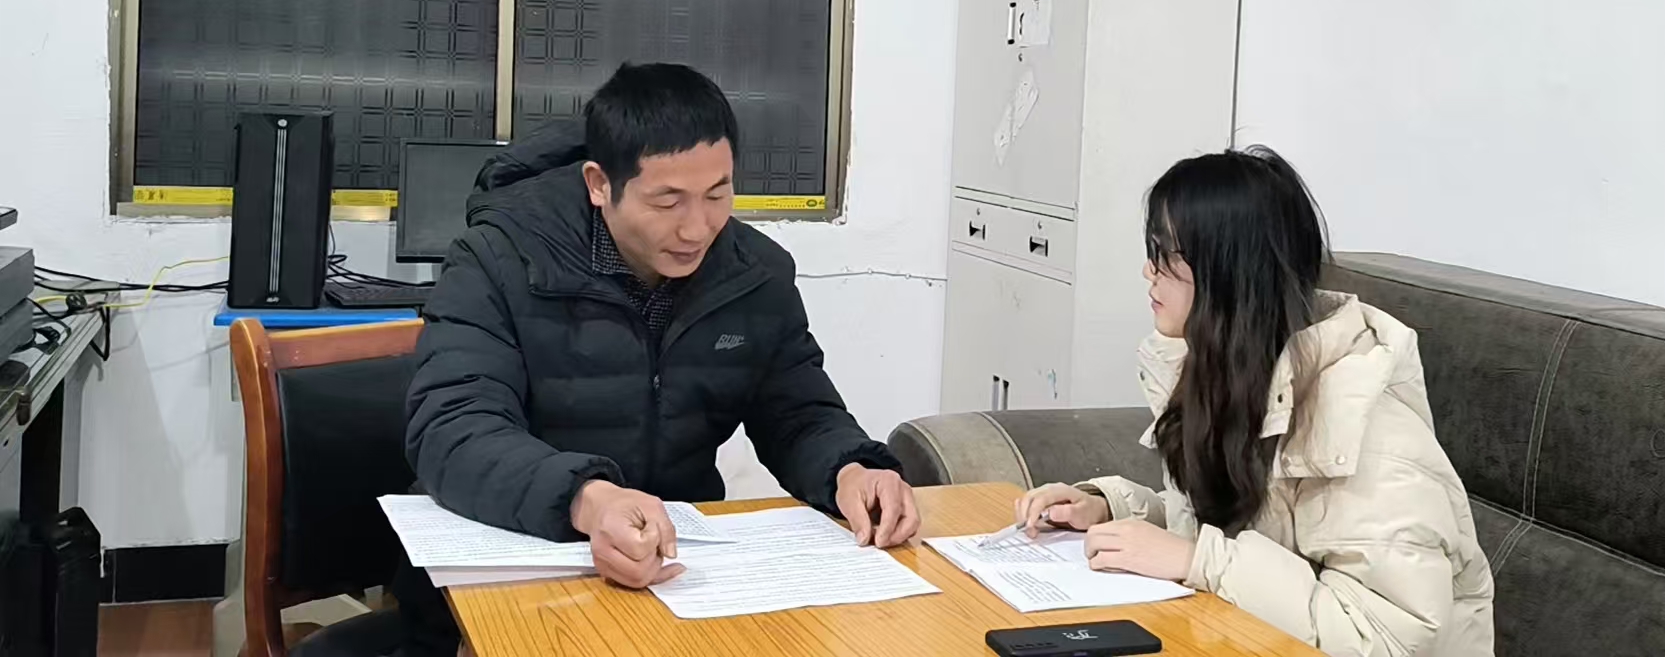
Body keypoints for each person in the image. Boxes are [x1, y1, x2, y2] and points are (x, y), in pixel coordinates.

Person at [397, 63, 917, 655]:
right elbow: (453, 427)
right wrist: (588, 499)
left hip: (676, 579)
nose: (697, 229)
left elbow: (798, 412)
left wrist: (851, 469)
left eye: (717, 195)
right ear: (600, 184)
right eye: (667, 201)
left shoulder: (753, 276)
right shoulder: (500, 259)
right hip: (511, 578)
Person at [1013, 148, 1494, 656]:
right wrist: (1110, 509)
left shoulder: (1370, 432)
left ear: (1231, 272)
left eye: (1168, 255)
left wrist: (1198, 561)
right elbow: (1228, 527)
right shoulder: (1226, 374)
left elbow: (1383, 638)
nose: (1148, 271)